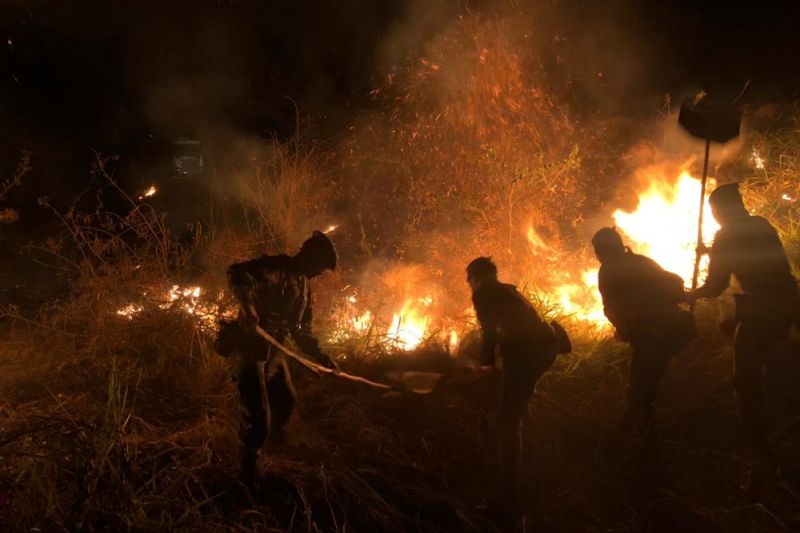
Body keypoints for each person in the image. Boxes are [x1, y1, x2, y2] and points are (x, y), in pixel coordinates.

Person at [216, 231, 339, 482]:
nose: (321, 273)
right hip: (250, 349)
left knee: (286, 401)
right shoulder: (274, 268)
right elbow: (236, 274)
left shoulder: (304, 287)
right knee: (258, 416)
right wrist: (248, 307)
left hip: (275, 352)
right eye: (320, 265)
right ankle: (247, 472)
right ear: (308, 255)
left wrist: (322, 357)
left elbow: (302, 331)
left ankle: (265, 449)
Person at [687, 183, 799, 447]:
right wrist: (710, 251)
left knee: (745, 376)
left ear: (720, 210)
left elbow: (717, 286)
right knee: (780, 360)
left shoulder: (725, 235)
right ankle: (787, 413)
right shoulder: (760, 223)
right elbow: (749, 253)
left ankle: (756, 439)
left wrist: (689, 295)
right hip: (789, 297)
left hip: (761, 306)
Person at [467, 257, 566, 521]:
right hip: (545, 348)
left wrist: (481, 364)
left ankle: (509, 506)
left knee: (507, 423)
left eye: (469, 281)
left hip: (529, 354)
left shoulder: (483, 293)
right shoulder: (508, 290)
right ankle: (531, 469)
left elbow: (490, 335)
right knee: (517, 409)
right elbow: (513, 330)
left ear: (474, 278)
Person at [592, 228, 695, 454]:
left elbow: (611, 308)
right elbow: (675, 285)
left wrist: (624, 328)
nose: (598, 256)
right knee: (653, 383)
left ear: (603, 251)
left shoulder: (608, 272)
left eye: (598, 252)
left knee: (639, 395)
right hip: (677, 330)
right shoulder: (642, 262)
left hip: (652, 337)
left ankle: (645, 450)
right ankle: (654, 432)